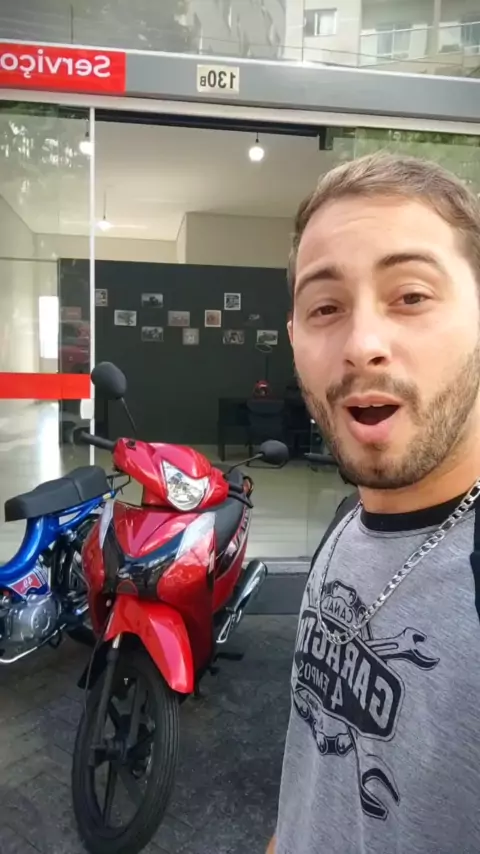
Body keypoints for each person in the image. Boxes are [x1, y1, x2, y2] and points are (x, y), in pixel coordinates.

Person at [268, 151, 480, 854]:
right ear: (294, 339)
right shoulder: (349, 525)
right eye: (325, 308)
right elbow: (313, 776)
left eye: (411, 296)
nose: (362, 345)